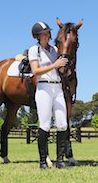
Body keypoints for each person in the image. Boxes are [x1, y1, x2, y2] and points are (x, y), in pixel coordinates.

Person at [29, 21, 69, 169]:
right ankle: (42, 162)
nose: (46, 36)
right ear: (37, 36)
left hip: (57, 87)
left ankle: (60, 160)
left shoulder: (54, 50)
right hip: (43, 88)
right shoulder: (34, 50)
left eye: (47, 33)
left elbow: (60, 69)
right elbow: (35, 71)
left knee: (62, 124)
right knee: (45, 125)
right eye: (42, 34)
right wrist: (55, 65)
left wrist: (66, 69)